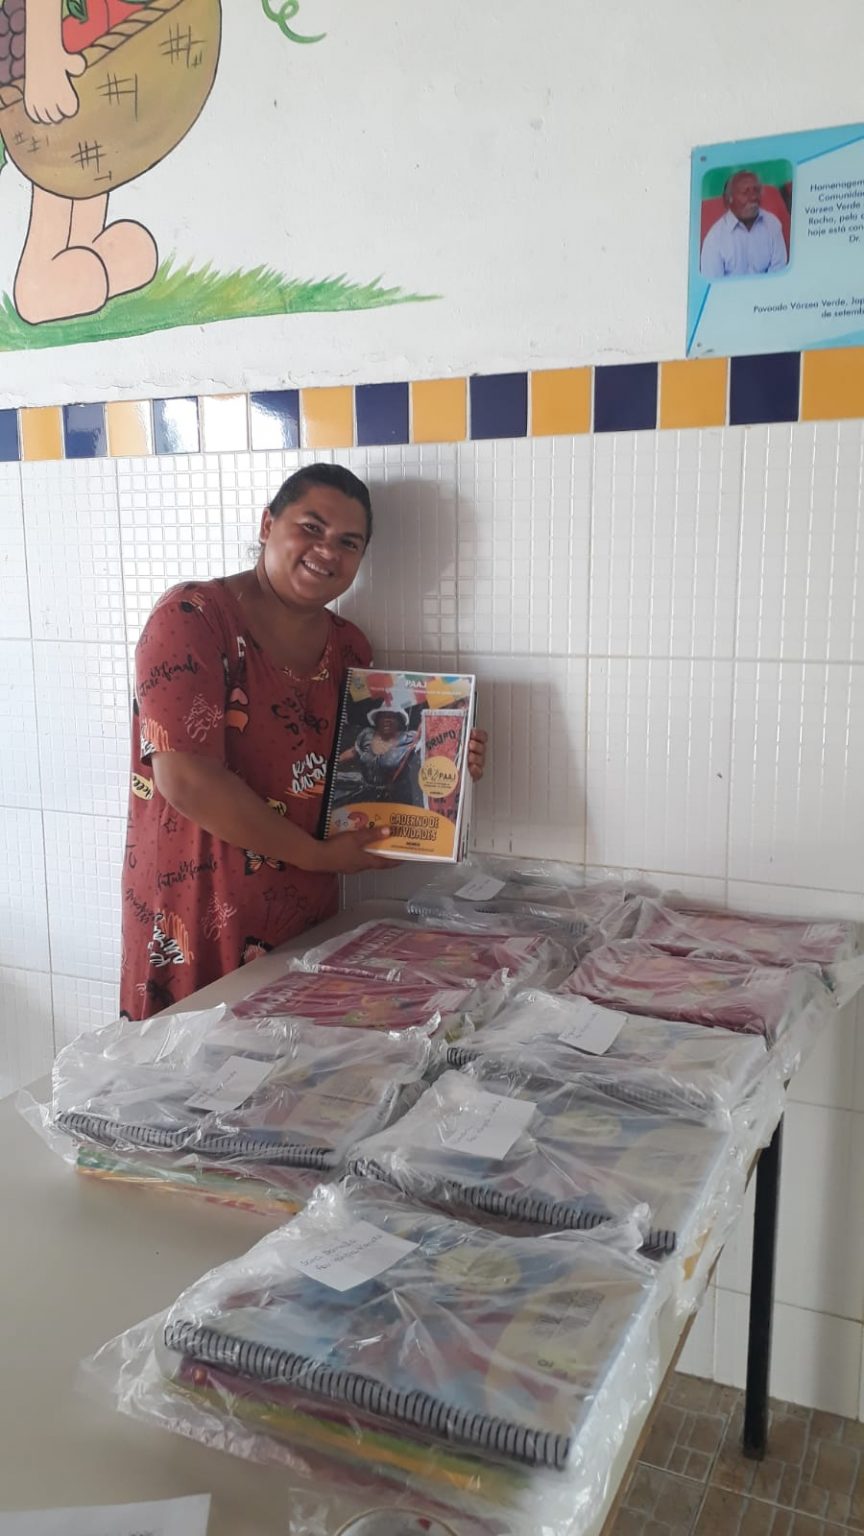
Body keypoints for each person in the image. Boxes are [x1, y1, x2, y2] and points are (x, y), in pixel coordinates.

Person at [120, 463, 488, 1020]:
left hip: (305, 915)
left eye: (348, 542)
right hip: (195, 910)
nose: (327, 551)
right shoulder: (193, 619)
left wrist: (444, 761)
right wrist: (318, 856)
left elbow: (360, 779)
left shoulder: (350, 648)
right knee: (188, 1064)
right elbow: (187, 780)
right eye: (311, 528)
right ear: (268, 524)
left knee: (291, 1062)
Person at [700, 170, 788, 280]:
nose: (753, 197)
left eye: (756, 191)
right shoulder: (715, 238)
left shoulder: (772, 224)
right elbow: (713, 285)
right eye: (745, 192)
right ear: (728, 200)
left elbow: (779, 273)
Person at [336, 706, 424, 808]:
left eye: (392, 716)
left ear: (399, 721)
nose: (387, 720)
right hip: (363, 792)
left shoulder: (409, 738)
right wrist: (333, 764)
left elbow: (427, 741)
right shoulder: (367, 735)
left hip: (393, 798)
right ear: (377, 720)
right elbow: (353, 752)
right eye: (383, 716)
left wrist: (426, 725)